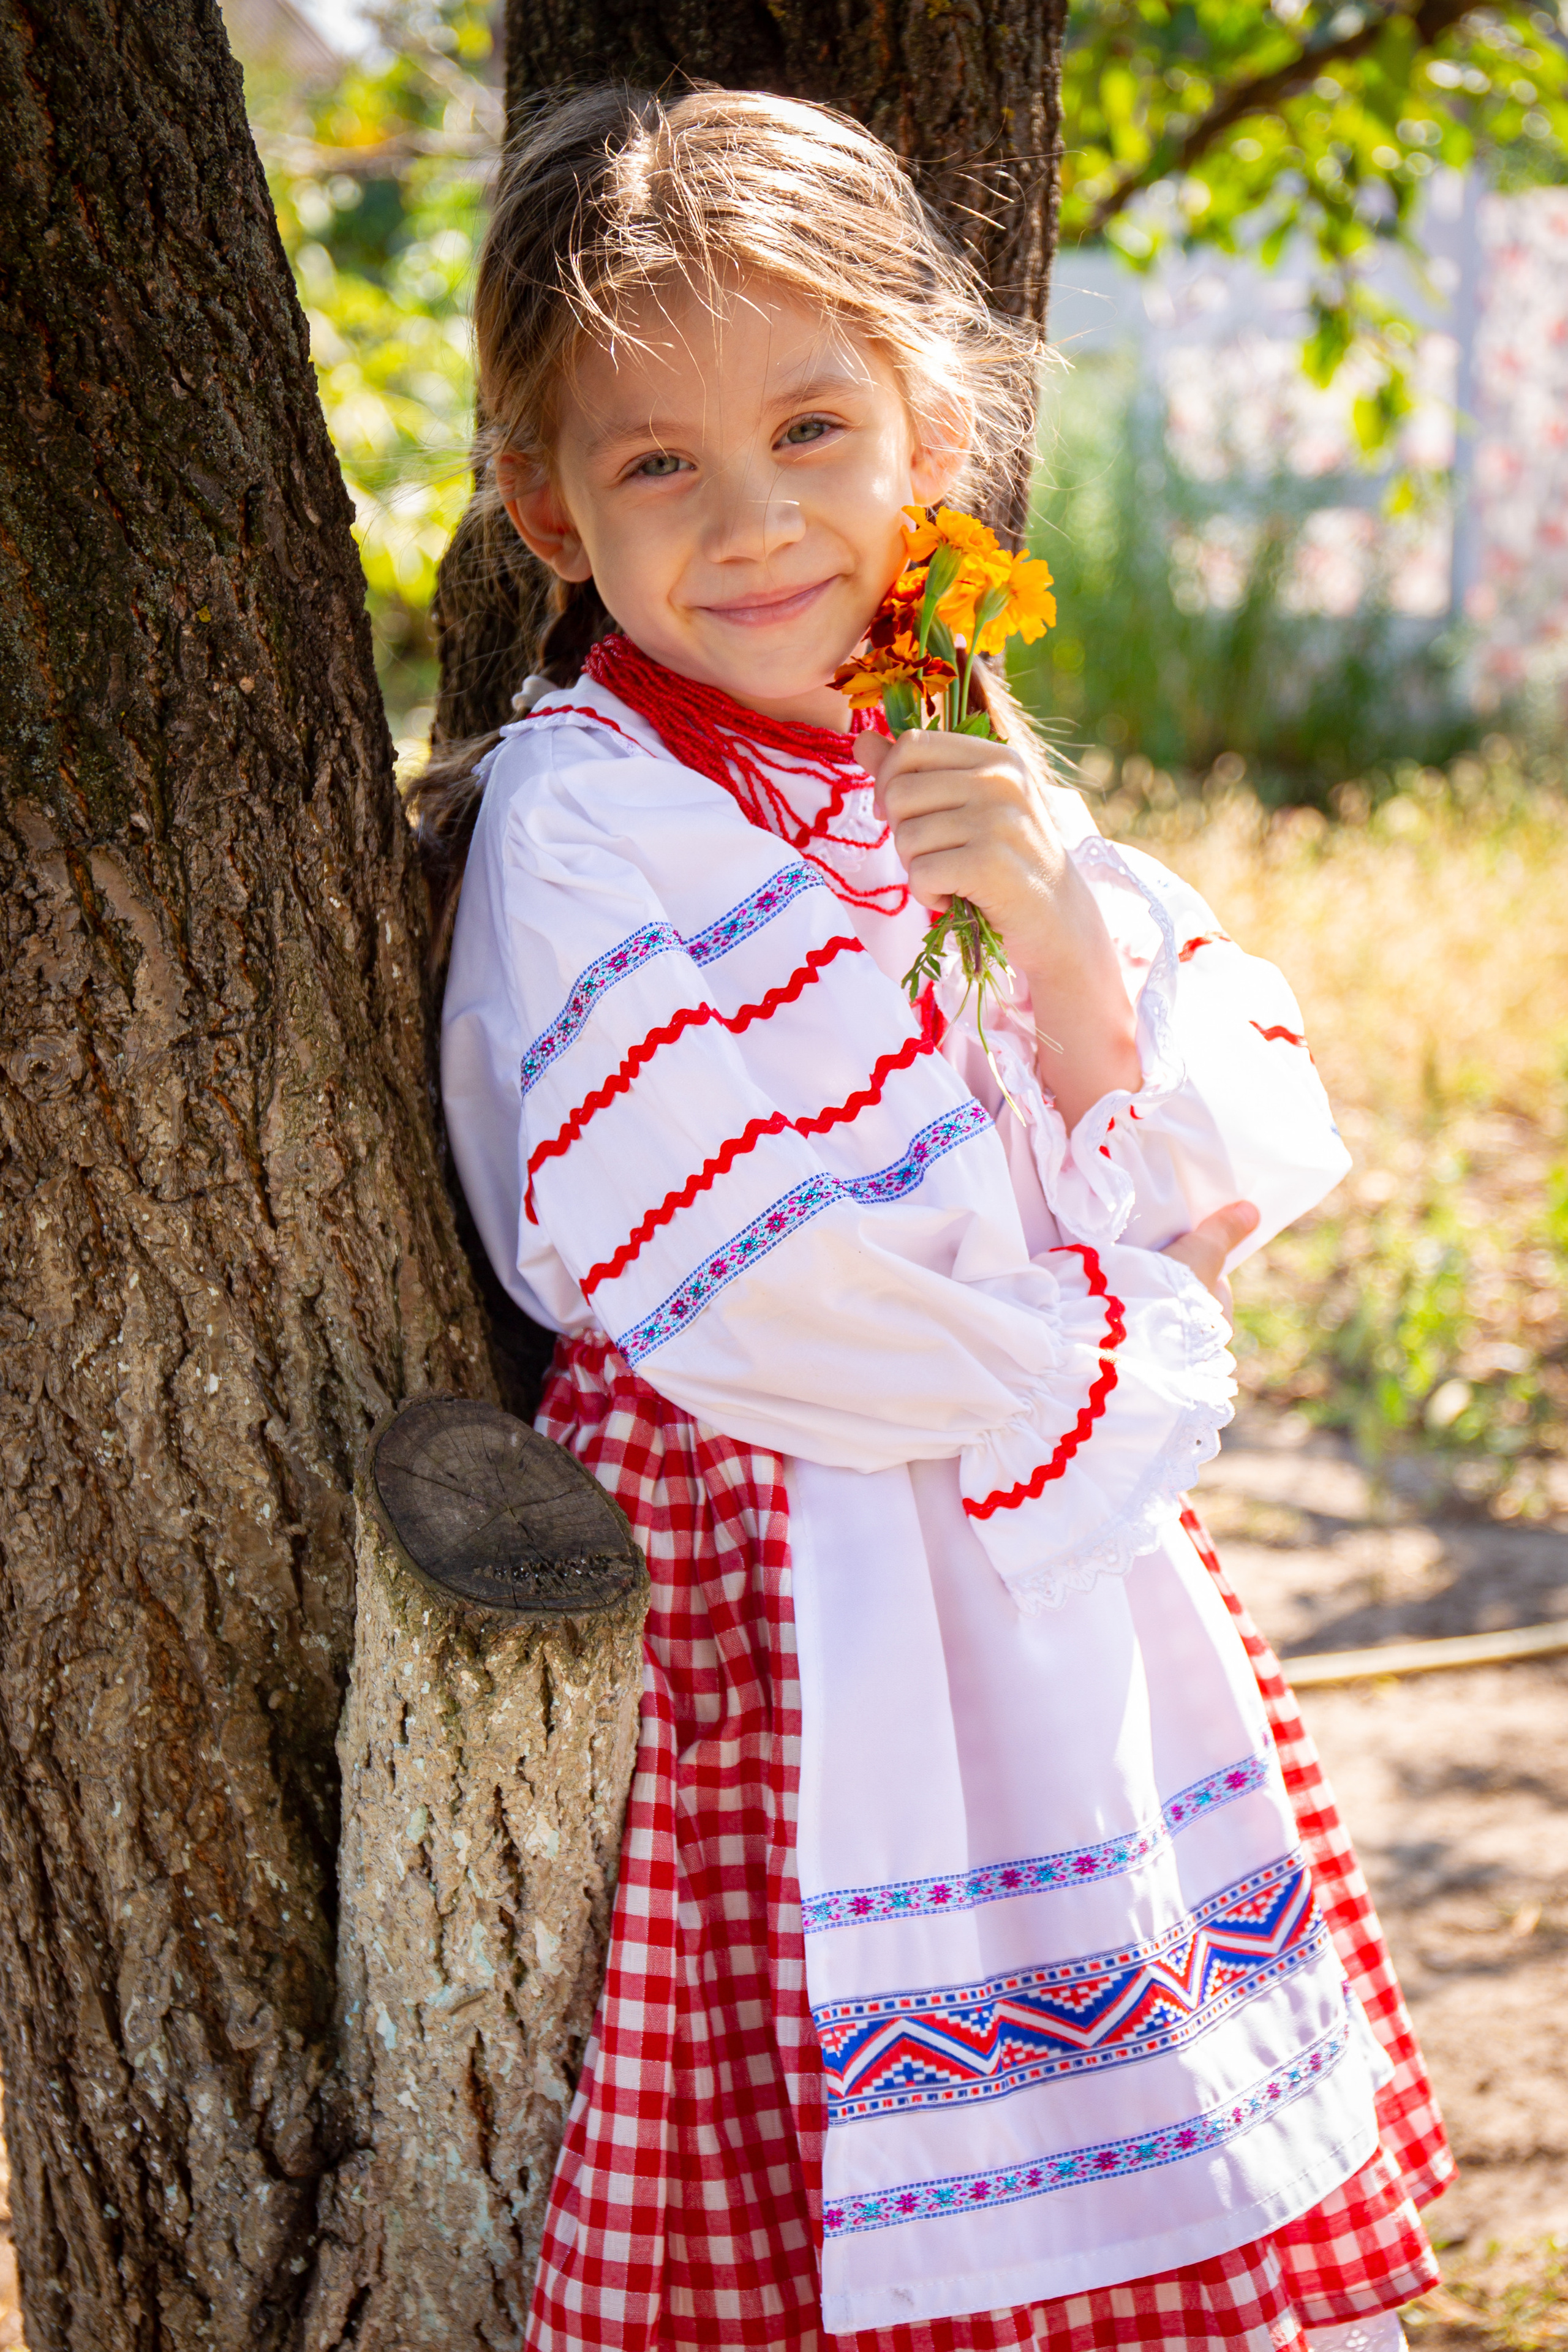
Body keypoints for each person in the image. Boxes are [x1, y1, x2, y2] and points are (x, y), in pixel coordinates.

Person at [416, 83, 1452, 2352]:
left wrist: (1064, 948)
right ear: (548, 509)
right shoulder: (590, 820)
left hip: (1039, 1558)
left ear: (928, 428)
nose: (760, 521)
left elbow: (1191, 1165)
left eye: (812, 428)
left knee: (1116, 2038)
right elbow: (719, 1263)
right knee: (850, 2120)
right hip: (804, 1562)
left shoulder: (950, 744)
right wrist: (1081, 1375)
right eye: (658, 461)